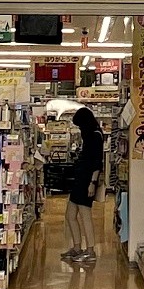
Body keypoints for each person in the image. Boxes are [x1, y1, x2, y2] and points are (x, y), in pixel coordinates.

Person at [61, 105, 104, 266]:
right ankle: (77, 247)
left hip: (87, 180)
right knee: (70, 215)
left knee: (85, 215)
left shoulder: (95, 136)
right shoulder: (90, 135)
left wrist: (92, 182)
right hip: (80, 179)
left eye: (80, 125)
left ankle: (90, 250)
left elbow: (97, 162)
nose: (79, 129)